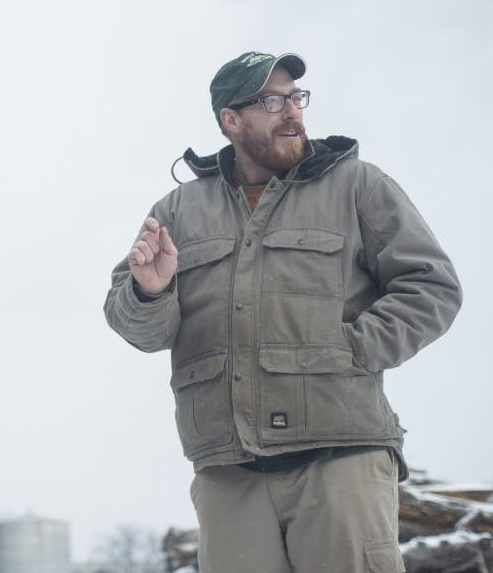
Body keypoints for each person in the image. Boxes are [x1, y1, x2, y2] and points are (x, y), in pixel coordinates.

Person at [103, 51, 462, 573]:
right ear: (231, 120)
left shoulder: (358, 186)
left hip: (340, 461)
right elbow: (137, 326)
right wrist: (150, 292)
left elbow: (432, 286)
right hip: (229, 475)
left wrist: (354, 348)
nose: (292, 111)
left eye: (296, 97)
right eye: (273, 101)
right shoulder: (177, 212)